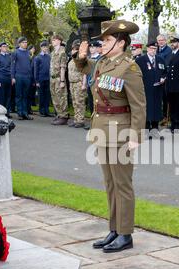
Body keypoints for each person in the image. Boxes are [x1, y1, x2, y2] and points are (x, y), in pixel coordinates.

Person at [74, 19, 146, 253]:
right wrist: (81, 56)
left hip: (121, 132)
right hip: (102, 130)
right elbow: (83, 67)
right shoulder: (102, 63)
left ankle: (126, 234)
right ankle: (114, 229)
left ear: (121, 42)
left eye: (106, 40)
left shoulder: (129, 68)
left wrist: (135, 136)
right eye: (103, 40)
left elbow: (139, 106)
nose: (102, 44)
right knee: (110, 183)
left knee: (123, 184)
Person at [136, 41, 167, 139]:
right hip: (145, 89)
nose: (153, 50)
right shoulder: (140, 60)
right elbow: (135, 74)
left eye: (155, 49)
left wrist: (163, 78)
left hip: (157, 89)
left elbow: (165, 71)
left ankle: (154, 130)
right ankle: (145, 130)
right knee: (146, 109)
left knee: (157, 109)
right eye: (152, 48)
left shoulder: (160, 59)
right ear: (148, 49)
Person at [11, 37, 33, 120]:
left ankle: (25, 113)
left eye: (26, 42)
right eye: (23, 42)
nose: (25, 44)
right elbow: (12, 66)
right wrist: (12, 77)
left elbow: (29, 65)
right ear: (19, 43)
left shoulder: (28, 53)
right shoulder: (15, 52)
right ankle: (20, 113)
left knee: (25, 95)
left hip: (27, 77)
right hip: (19, 76)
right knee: (19, 95)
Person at [50, 34, 69, 125]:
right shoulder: (53, 52)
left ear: (59, 41)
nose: (52, 42)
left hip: (58, 78)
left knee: (61, 97)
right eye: (52, 40)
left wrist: (62, 81)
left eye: (54, 40)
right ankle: (59, 114)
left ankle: (64, 116)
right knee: (55, 97)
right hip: (52, 78)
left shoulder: (62, 52)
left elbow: (63, 68)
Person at [67, 40, 87, 128]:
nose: (73, 51)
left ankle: (80, 120)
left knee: (80, 102)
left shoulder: (81, 60)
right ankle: (76, 119)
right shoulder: (72, 60)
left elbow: (85, 72)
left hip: (79, 82)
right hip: (72, 83)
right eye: (73, 49)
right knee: (75, 102)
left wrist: (83, 84)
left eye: (75, 49)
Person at [85, 40, 103, 130]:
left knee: (97, 104)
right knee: (91, 104)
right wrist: (84, 83)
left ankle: (97, 123)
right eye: (90, 47)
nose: (91, 49)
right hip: (89, 83)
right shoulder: (88, 58)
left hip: (97, 84)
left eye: (93, 47)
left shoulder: (100, 58)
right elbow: (85, 72)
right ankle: (92, 122)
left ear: (97, 48)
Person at [157, 34, 172, 125]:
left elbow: (167, 65)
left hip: (166, 78)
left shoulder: (168, 51)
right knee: (159, 98)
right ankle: (160, 116)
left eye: (162, 40)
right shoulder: (156, 50)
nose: (160, 42)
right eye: (159, 40)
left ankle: (166, 118)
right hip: (157, 78)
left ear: (165, 41)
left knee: (166, 99)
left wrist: (164, 77)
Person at [0, 42, 12, 117]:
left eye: (6, 46)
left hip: (8, 78)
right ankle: (1, 112)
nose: (5, 47)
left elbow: (11, 67)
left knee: (8, 96)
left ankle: (7, 111)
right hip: (1, 78)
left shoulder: (9, 56)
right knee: (2, 96)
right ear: (0, 48)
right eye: (3, 46)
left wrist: (12, 78)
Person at [34, 40, 52, 117]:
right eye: (44, 47)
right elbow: (36, 70)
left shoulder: (49, 57)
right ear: (41, 48)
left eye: (46, 47)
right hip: (40, 79)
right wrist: (36, 81)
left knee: (47, 95)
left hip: (48, 79)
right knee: (41, 95)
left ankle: (47, 110)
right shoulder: (38, 58)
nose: (45, 48)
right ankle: (41, 111)